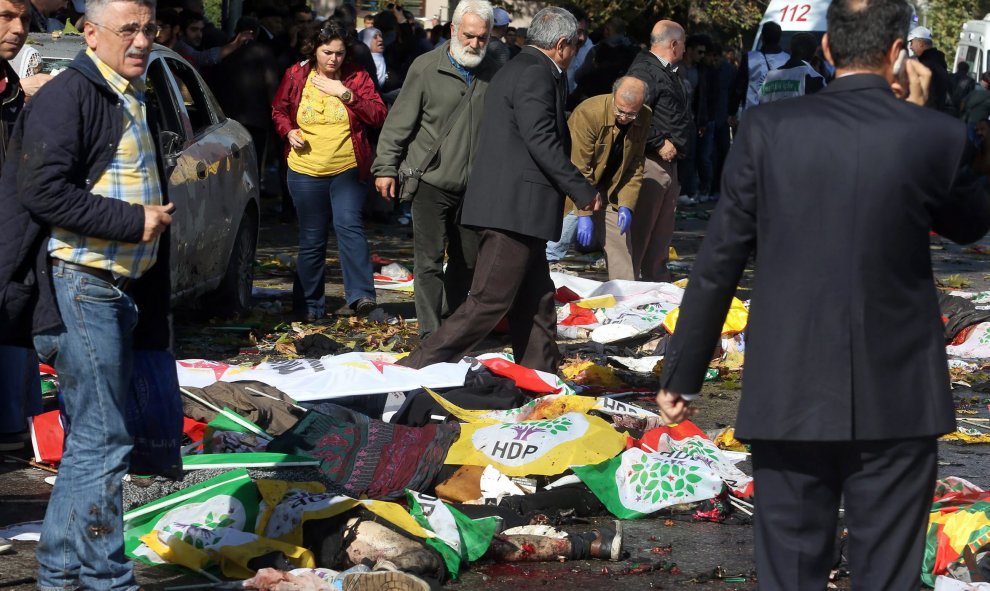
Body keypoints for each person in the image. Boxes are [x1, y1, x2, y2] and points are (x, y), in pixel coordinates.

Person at [655, 0, 990, 588]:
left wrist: (681, 372)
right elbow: (971, 220)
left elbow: (720, 260)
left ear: (828, 50)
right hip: (900, 392)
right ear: (897, 54)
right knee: (886, 572)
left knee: (790, 567)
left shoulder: (766, 130)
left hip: (788, 385)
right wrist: (928, 112)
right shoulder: (932, 134)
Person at [0, 0, 176, 587]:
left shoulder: (129, 92)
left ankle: (59, 573)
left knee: (92, 440)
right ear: (90, 33)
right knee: (103, 440)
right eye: (129, 29)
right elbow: (41, 191)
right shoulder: (68, 97)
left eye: (149, 29)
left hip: (119, 289)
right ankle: (106, 579)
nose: (142, 40)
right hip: (82, 286)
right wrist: (135, 221)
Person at [398, 6, 600, 372]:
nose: (575, 52)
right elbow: (540, 139)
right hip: (514, 210)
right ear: (561, 44)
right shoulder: (535, 74)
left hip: (520, 209)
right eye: (575, 44)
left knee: (536, 299)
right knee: (488, 302)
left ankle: (540, 373)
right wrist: (579, 188)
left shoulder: (520, 68)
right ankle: (418, 366)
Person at [372, 0, 499, 341]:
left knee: (467, 262)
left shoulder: (496, 70)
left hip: (476, 187)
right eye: (469, 36)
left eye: (482, 38)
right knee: (428, 261)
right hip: (430, 181)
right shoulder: (426, 67)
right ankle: (431, 333)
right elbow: (399, 123)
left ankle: (454, 326)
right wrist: (385, 167)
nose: (475, 44)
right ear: (454, 30)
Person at [272, 21, 387, 322]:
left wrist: (346, 94)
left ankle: (362, 298)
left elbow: (378, 115)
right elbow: (279, 110)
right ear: (314, 50)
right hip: (304, 168)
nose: (333, 59)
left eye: (339, 53)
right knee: (312, 237)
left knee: (349, 226)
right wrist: (288, 131)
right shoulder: (296, 75)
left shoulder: (356, 76)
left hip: (346, 167)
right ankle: (309, 305)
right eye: (327, 52)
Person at [0, 0, 41, 457]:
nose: (18, 29)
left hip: (14, 228)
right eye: (7, 16)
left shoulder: (13, 88)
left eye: (25, 20)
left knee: (15, 314)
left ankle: (15, 423)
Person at [626, 20, 694, 283]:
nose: (686, 49)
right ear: (674, 44)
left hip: (669, 164)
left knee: (661, 232)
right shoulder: (645, 70)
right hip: (651, 162)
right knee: (642, 230)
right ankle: (629, 284)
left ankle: (657, 282)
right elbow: (630, 111)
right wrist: (657, 141)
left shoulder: (668, 71)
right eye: (684, 43)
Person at [568, 76, 651, 281]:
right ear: (613, 96)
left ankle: (625, 299)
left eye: (631, 114)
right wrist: (584, 214)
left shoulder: (645, 116)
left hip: (609, 187)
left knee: (620, 245)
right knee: (554, 244)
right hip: (572, 188)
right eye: (620, 111)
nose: (623, 117)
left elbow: (635, 164)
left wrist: (626, 204)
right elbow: (579, 166)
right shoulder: (589, 112)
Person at [729, 21, 789, 118]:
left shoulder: (750, 58)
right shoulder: (788, 59)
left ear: (762, 37)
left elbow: (739, 87)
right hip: (780, 116)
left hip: (753, 115)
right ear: (779, 38)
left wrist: (732, 111)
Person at [758, 32, 826, 104]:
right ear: (815, 52)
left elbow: (760, 103)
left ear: (791, 50)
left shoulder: (769, 77)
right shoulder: (814, 78)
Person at [909, 25, 951, 112]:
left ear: (920, 43)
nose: (910, 47)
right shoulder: (938, 63)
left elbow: (928, 98)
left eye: (911, 42)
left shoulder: (926, 66)